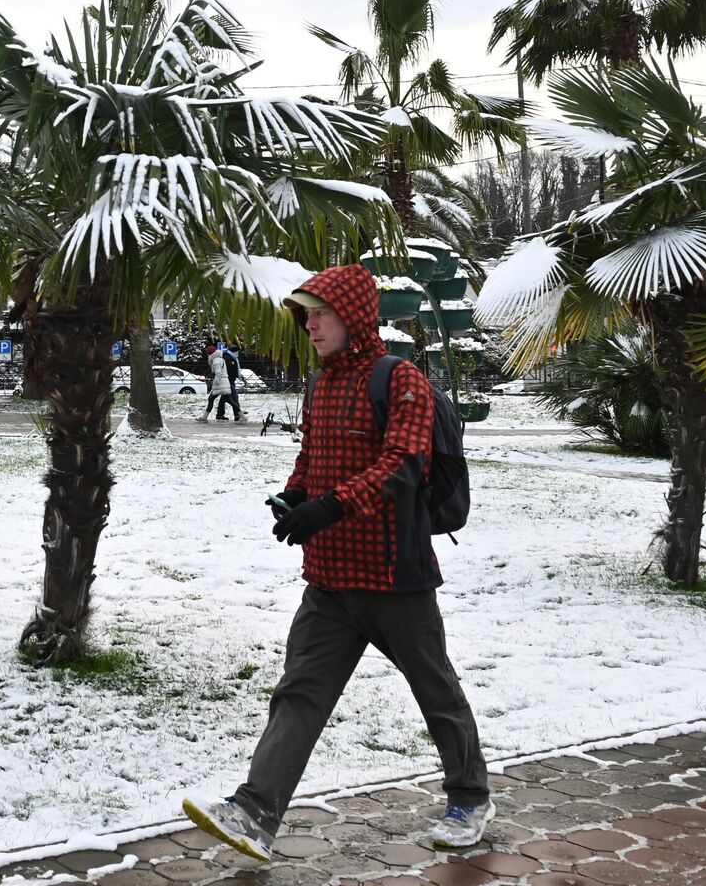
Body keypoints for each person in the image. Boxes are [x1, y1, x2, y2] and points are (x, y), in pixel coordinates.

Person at [182, 263, 490, 860]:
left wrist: (330, 506)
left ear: (353, 316)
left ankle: (470, 796)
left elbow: (402, 466)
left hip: (394, 577)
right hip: (328, 581)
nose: (310, 326)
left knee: (435, 690)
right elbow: (312, 455)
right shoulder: (319, 384)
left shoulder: (401, 381)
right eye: (306, 315)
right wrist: (299, 494)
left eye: (320, 314)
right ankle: (255, 812)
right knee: (299, 693)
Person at [199, 338, 231, 422]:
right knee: (228, 400)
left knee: (212, 399)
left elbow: (218, 373)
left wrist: (216, 383)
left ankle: (204, 417)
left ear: (210, 354)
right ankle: (241, 415)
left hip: (220, 384)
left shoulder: (216, 361)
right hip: (222, 383)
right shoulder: (218, 359)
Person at [217, 341, 247, 423]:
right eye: (237, 352)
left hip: (229, 381)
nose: (238, 353)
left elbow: (234, 370)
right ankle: (237, 414)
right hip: (228, 381)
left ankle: (220, 414)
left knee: (224, 398)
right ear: (235, 351)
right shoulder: (227, 357)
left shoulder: (232, 357)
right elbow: (229, 370)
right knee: (234, 397)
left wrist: (240, 376)